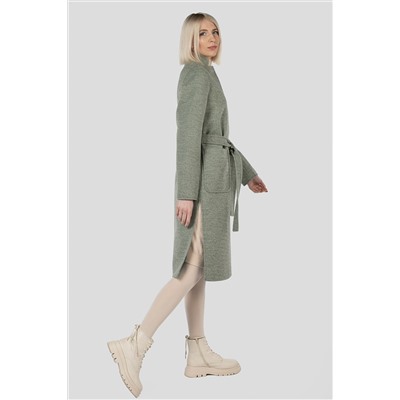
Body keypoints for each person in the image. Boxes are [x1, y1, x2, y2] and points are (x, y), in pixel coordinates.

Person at [107, 12, 268, 398]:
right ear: (190, 40)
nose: (212, 38)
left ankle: (197, 350)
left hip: (212, 182)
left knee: (199, 269)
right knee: (191, 268)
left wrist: (247, 173)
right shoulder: (196, 75)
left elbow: (218, 138)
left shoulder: (208, 74)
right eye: (203, 33)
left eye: (216, 31)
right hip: (202, 187)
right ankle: (135, 343)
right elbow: (188, 135)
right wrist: (186, 193)